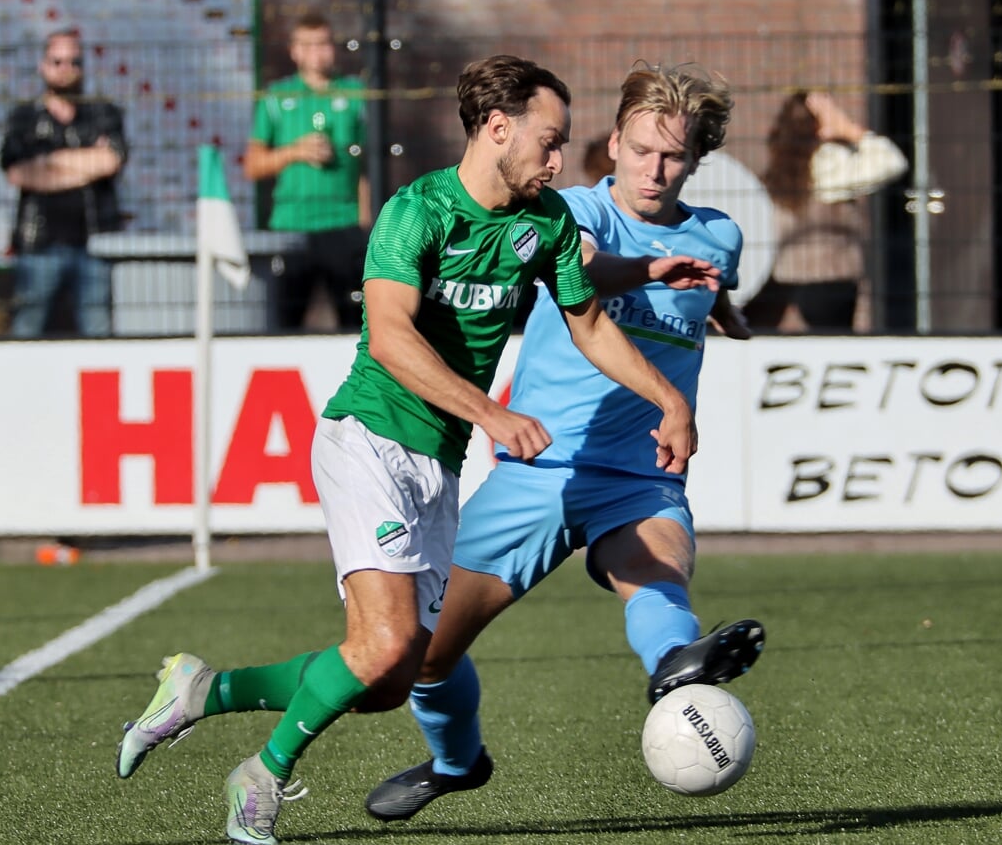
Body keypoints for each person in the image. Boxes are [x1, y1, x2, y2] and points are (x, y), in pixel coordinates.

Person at [114, 55, 699, 845]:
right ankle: (263, 773)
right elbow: (389, 338)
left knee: (388, 677)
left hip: (439, 464)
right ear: (498, 128)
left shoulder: (549, 222)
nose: (560, 160)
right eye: (549, 140)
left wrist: (667, 399)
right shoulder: (417, 211)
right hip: (369, 439)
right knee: (386, 644)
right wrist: (489, 412)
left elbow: (590, 323)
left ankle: (202, 690)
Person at [362, 63, 763, 823]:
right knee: (423, 657)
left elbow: (709, 292)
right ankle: (455, 762)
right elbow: (583, 271)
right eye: (640, 148)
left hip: (639, 476)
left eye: (672, 156)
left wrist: (720, 314)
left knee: (657, 573)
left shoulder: (719, 236)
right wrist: (649, 271)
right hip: (539, 468)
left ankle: (677, 669)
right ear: (612, 141)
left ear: (696, 162)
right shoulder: (569, 211)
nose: (653, 168)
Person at [741, 91, 907, 334]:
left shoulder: (778, 171)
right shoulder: (829, 165)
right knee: (834, 343)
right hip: (828, 278)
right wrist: (849, 128)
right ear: (817, 125)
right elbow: (891, 161)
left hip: (782, 276)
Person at [244, 10, 369, 331]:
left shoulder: (355, 94)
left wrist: (365, 222)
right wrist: (294, 152)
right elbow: (253, 165)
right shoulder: (276, 98)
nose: (317, 52)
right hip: (291, 227)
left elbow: (367, 165)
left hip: (343, 223)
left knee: (354, 322)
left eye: (323, 44)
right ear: (294, 51)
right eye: (308, 45)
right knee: (284, 322)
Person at [0, 28, 127, 338]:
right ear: (43, 66)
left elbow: (111, 161)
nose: (66, 69)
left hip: (96, 242)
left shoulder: (102, 113)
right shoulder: (25, 117)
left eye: (74, 61)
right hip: (39, 244)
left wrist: (48, 166)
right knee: (28, 325)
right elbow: (17, 173)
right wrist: (87, 162)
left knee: (98, 328)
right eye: (57, 61)